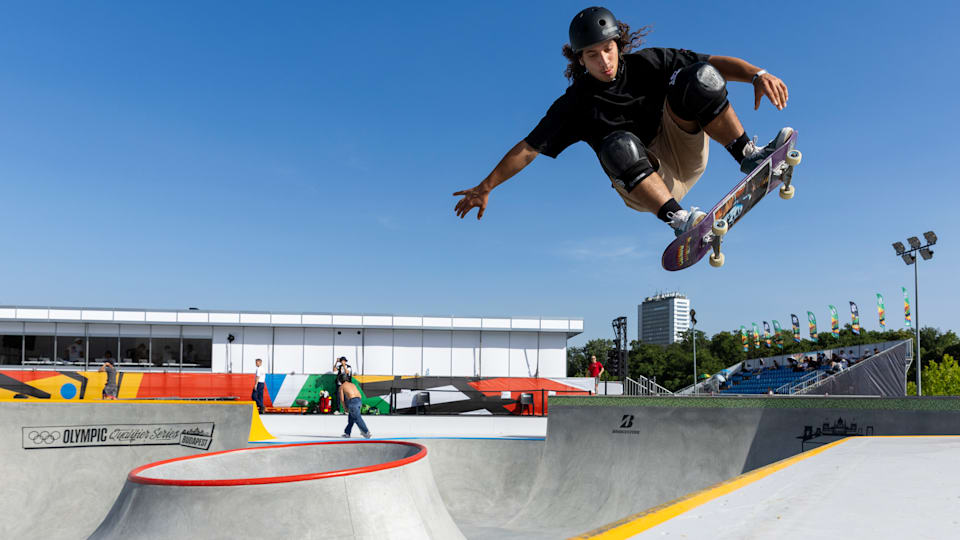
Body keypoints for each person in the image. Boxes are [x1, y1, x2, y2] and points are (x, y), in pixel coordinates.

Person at [454, 6, 791, 243]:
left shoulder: (648, 62)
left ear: (618, 45)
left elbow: (712, 62)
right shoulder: (575, 104)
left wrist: (756, 75)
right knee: (616, 144)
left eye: (608, 50)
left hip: (682, 148)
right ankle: (680, 220)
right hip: (646, 184)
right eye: (593, 55)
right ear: (580, 60)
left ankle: (748, 155)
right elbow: (528, 149)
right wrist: (487, 186)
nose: (604, 62)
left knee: (699, 78)